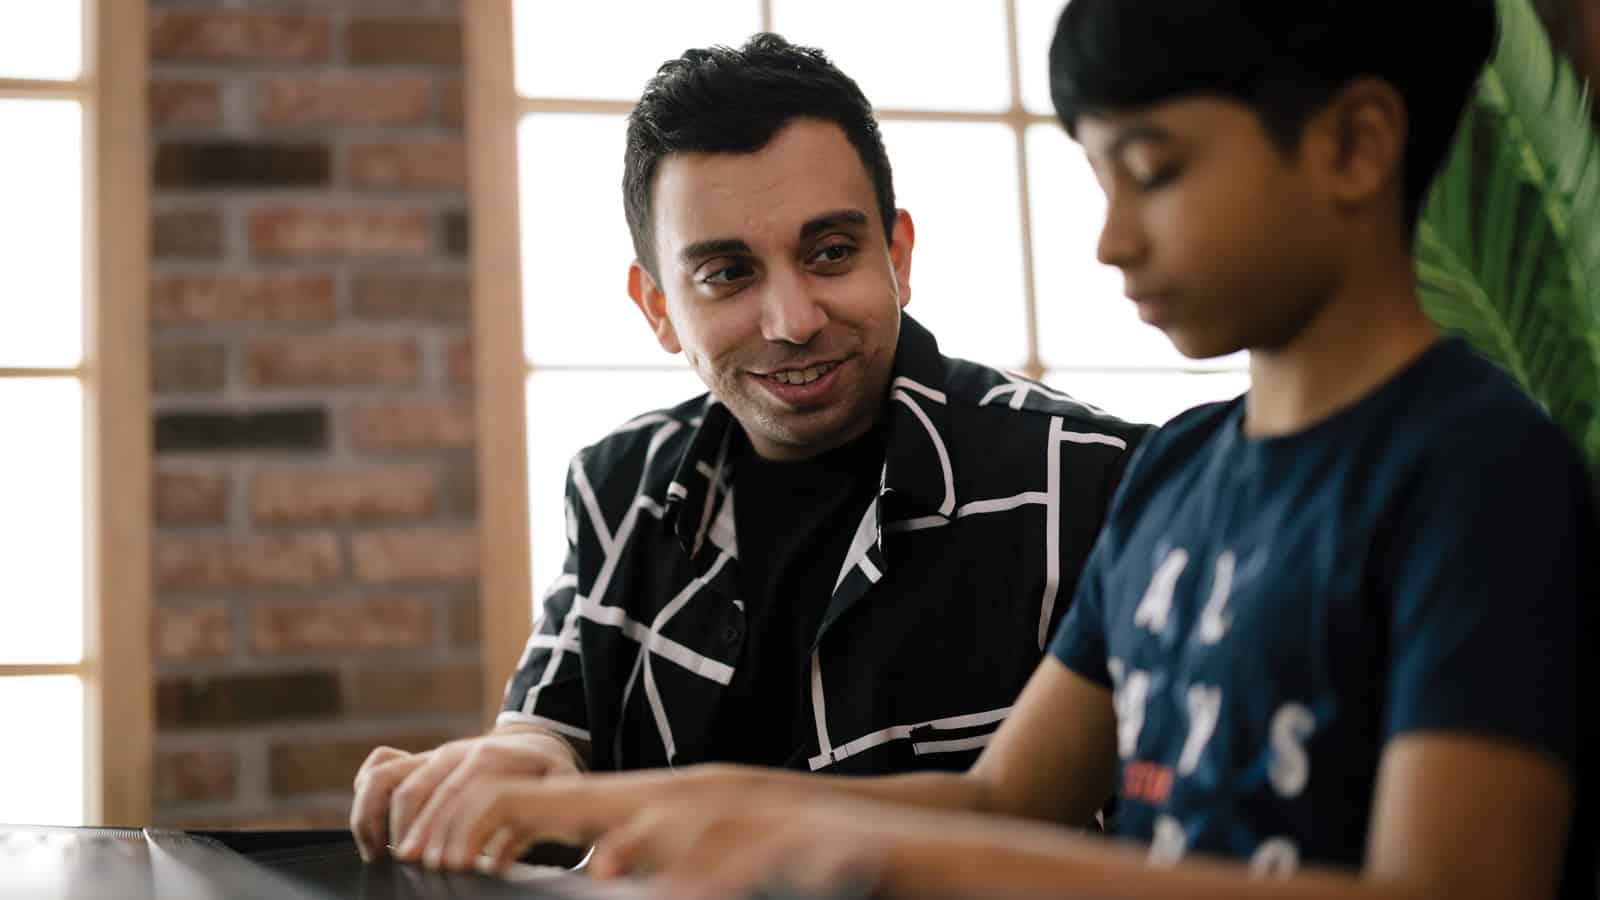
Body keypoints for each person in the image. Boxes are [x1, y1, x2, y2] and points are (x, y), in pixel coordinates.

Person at [392, 2, 1599, 898]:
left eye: (1156, 173)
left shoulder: (1475, 467)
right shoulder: (1181, 474)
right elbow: (1000, 798)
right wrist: (633, 805)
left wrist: (852, 845)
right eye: (1098, 179)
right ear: (656, 303)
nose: (1109, 241)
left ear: (1353, 146)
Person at [349, 32, 1148, 863]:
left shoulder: (1094, 479)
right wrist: (517, 761)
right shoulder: (616, 484)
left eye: (831, 253)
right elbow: (551, 729)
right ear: (657, 308)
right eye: (728, 273)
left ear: (898, 256)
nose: (793, 321)